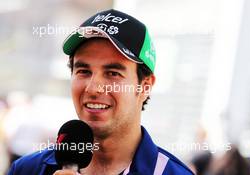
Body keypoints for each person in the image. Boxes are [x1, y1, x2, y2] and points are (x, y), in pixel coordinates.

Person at [7, 9, 194, 175]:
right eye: (84, 71)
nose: (94, 88)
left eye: (113, 73)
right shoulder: (27, 169)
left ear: (145, 86)